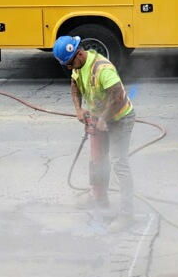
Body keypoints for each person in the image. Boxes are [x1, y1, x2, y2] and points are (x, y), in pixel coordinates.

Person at [53, 35, 136, 233]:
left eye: (70, 63)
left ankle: (127, 215)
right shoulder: (78, 66)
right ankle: (99, 196)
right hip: (101, 118)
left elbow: (117, 94)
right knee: (98, 160)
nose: (69, 68)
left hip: (120, 118)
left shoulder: (102, 69)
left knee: (119, 164)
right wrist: (78, 109)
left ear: (79, 54)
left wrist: (104, 118)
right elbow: (74, 85)